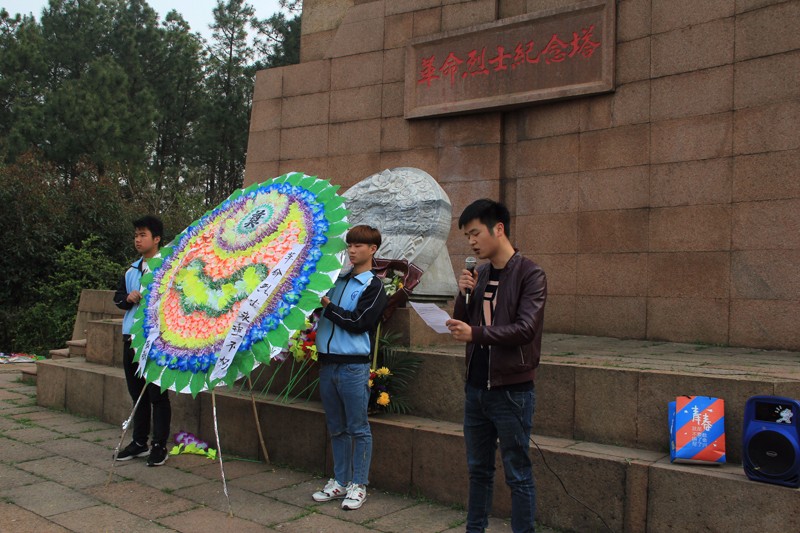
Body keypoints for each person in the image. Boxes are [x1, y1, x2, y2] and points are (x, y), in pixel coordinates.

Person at [446, 199, 547, 533]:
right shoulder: (481, 272)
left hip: (511, 391)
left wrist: (475, 332)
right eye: (467, 236)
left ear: (498, 229)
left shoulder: (530, 274)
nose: (472, 242)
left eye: (475, 233)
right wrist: (463, 294)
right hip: (476, 389)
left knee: (517, 473)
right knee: (478, 470)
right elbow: (461, 322)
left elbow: (525, 329)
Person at [312, 225, 388, 510]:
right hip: (328, 364)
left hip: (354, 368)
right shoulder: (338, 280)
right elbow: (322, 311)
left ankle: (359, 484)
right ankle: (340, 481)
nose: (352, 250)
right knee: (336, 428)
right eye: (350, 245)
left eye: (359, 245)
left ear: (373, 249)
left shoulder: (374, 286)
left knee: (358, 428)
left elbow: (360, 322)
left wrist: (327, 305)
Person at [113, 215, 172, 467]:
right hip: (131, 340)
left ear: (156, 239)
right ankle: (139, 443)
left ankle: (159, 445)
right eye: (136, 235)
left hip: (157, 342)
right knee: (136, 394)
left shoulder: (169, 267)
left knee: (158, 394)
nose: (137, 240)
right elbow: (118, 300)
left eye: (143, 235)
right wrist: (128, 298)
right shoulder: (131, 269)